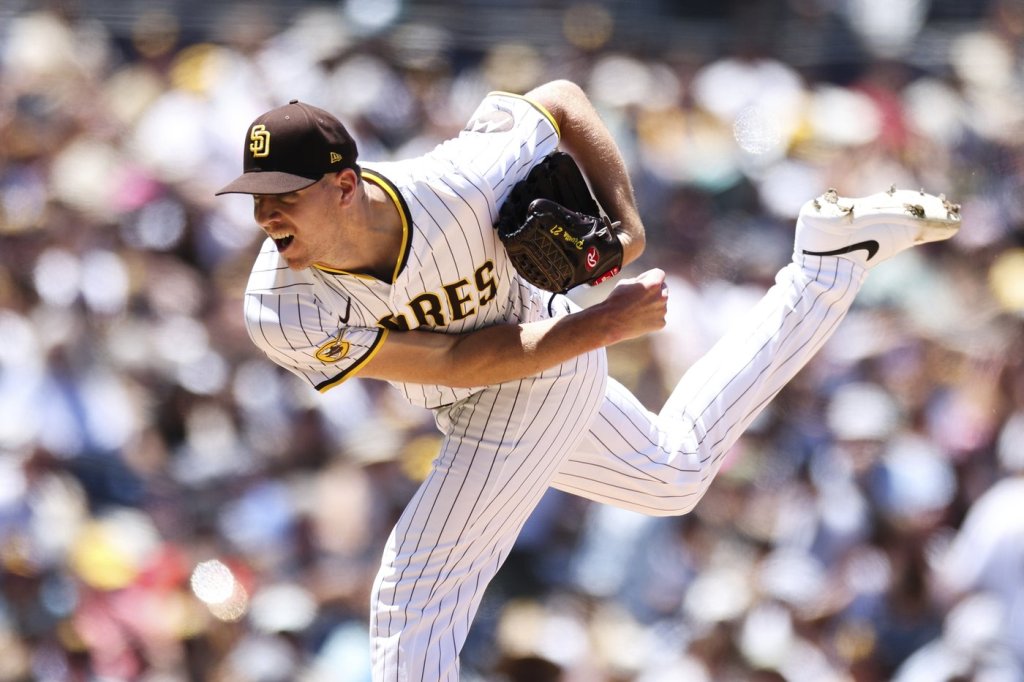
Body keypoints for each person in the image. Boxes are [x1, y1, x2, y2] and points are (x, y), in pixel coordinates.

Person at [215, 80, 960, 681]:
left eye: (285, 194)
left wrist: (628, 229)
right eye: (256, 197)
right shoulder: (280, 308)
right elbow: (450, 363)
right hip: (497, 375)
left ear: (345, 185)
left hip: (546, 366)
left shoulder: (457, 181)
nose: (265, 214)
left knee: (416, 588)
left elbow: (562, 101)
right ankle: (826, 266)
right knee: (674, 473)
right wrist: (600, 325)